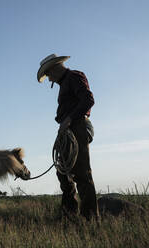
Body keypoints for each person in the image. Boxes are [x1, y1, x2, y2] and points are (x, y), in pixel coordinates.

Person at [37, 54, 99, 220]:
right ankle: (69, 214)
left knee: (82, 174)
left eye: (48, 74)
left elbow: (88, 99)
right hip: (68, 129)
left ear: (55, 68)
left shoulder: (74, 76)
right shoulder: (65, 83)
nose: (49, 79)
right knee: (63, 172)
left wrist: (70, 119)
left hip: (77, 126)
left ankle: (90, 219)